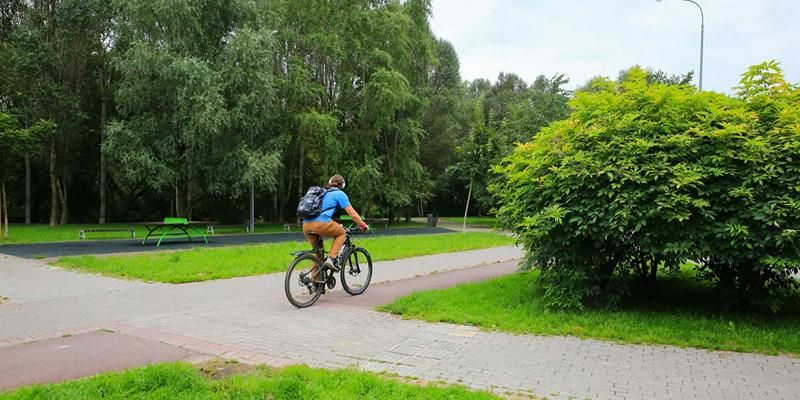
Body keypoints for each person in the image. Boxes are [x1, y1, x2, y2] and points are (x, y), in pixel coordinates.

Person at [302, 174, 368, 273]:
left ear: (330, 182)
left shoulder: (321, 192)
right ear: (342, 185)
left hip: (306, 225)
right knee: (341, 233)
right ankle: (331, 259)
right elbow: (353, 214)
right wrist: (363, 225)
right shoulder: (339, 194)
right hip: (320, 224)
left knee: (318, 253)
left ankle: (316, 283)